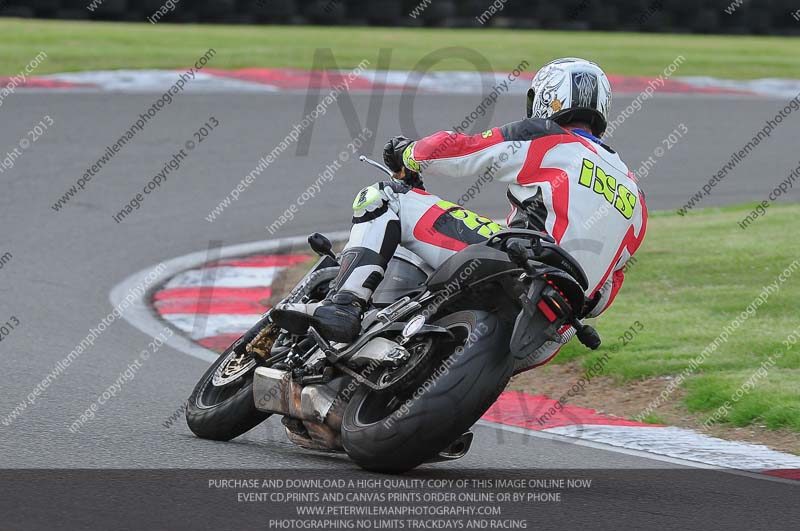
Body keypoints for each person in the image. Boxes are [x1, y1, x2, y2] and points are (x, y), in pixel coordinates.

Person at [272, 57, 647, 370]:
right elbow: (608, 290)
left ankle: (345, 304)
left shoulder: (547, 136)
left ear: (548, 98)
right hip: (560, 321)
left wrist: (408, 153)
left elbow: (457, 150)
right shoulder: (637, 198)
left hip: (515, 262)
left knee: (384, 196)